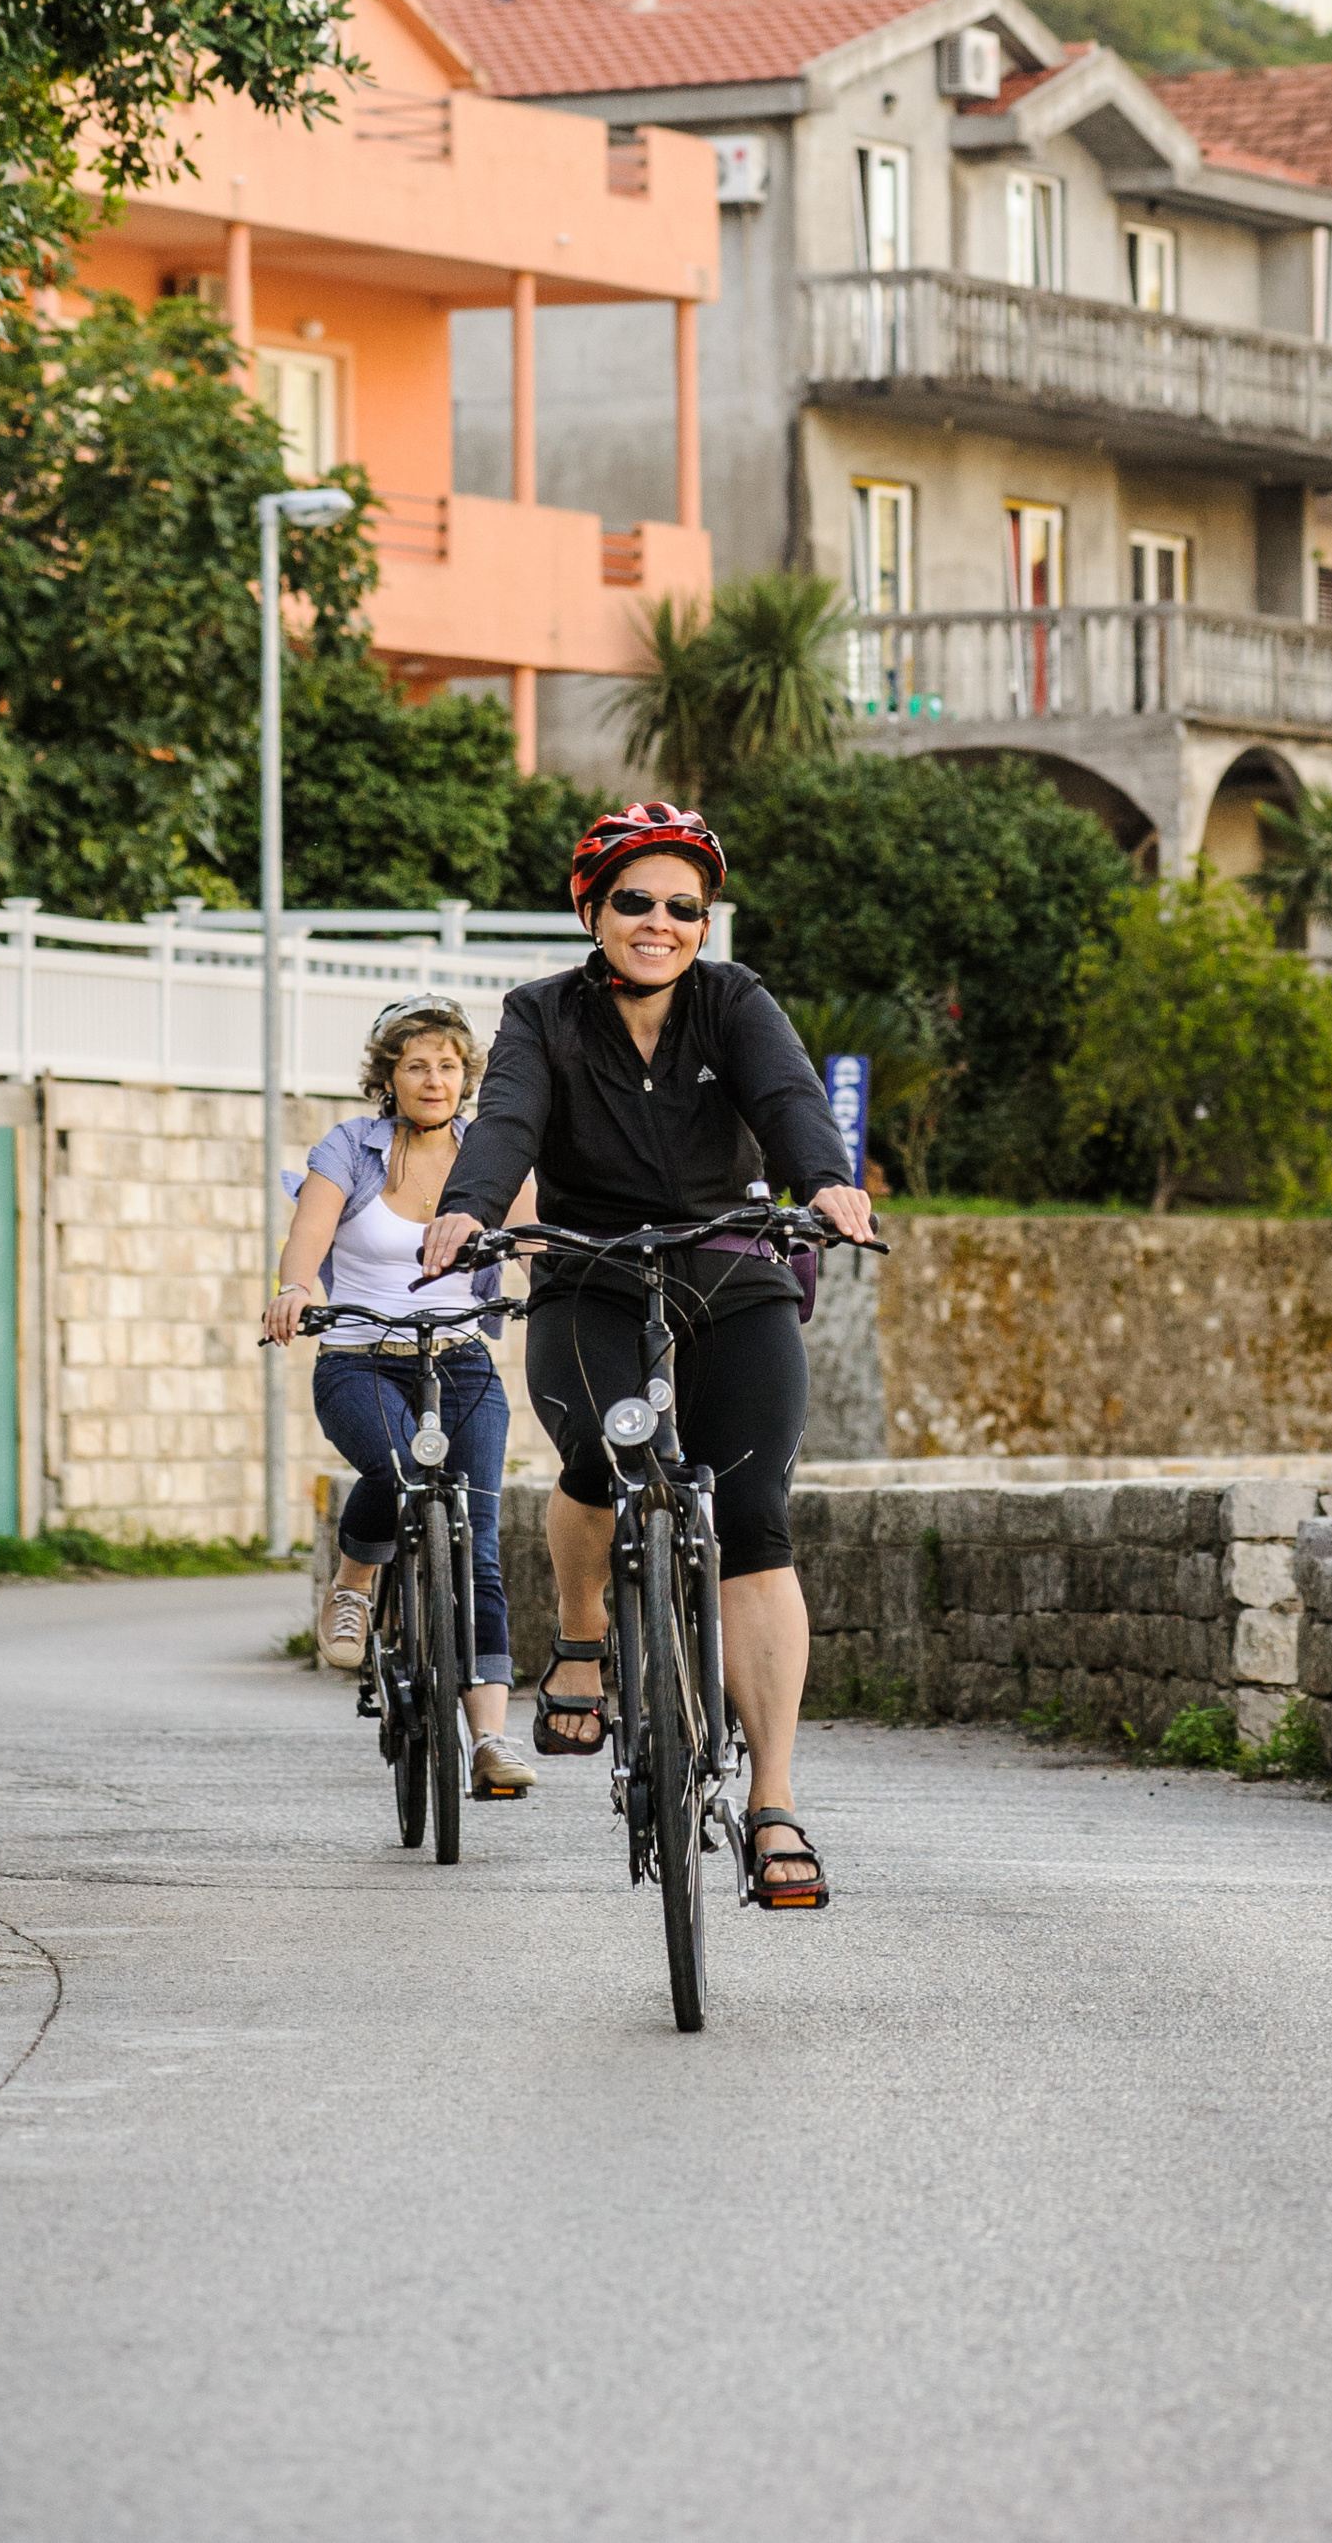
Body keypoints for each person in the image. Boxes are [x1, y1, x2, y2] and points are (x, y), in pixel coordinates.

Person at [415, 798, 872, 1904]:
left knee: (758, 1524)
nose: (659, 922)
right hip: (587, 1275)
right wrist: (471, 1206)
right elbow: (509, 1119)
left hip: (730, 1269)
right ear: (592, 908)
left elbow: (788, 1097)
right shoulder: (540, 1013)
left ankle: (772, 1806)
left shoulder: (734, 1002)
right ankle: (583, 1636)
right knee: (592, 1462)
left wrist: (825, 1179)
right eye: (634, 901)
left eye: (683, 907)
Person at [264, 999, 537, 1799]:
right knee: (398, 1471)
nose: (434, 1078)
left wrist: (567, 1297)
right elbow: (308, 1235)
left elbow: (530, 1242)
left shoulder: (490, 1154)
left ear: (466, 1075)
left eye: (449, 1065)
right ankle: (354, 1583)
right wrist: (294, 1288)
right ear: (389, 1075)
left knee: (479, 1544)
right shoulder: (351, 1147)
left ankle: (488, 1737)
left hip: (460, 1361)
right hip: (360, 1358)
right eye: (417, 1064)